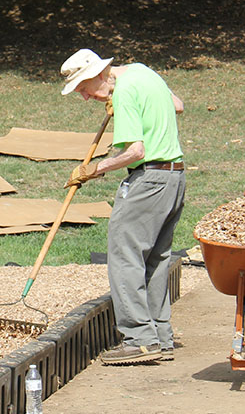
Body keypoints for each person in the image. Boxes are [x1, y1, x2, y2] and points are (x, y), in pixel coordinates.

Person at [60, 48, 186, 366]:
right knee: (156, 259)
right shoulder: (143, 72)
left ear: (96, 75)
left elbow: (135, 151)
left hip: (148, 180)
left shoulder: (125, 90)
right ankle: (160, 338)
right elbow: (177, 106)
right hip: (175, 178)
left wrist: (95, 169)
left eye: (83, 89)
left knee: (123, 254)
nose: (86, 98)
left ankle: (139, 339)